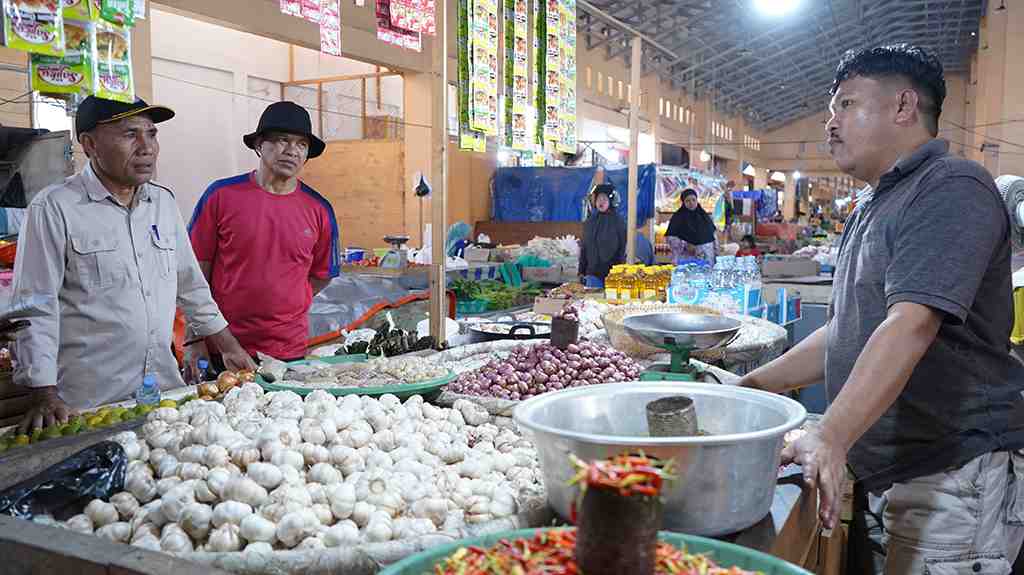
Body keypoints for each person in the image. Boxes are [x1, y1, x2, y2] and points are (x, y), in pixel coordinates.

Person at [738, 44, 1024, 574]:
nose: (829, 124)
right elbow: (846, 330)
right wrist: (753, 388)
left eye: (845, 105)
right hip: (895, 469)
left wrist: (830, 434)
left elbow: (911, 324)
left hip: (952, 474)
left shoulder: (952, 187)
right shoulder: (877, 201)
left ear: (903, 107)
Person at [11, 96, 254, 433]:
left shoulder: (163, 203)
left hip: (162, 392)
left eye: (151, 134)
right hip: (90, 402)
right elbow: (35, 305)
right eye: (130, 135)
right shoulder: (55, 208)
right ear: (90, 144)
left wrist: (229, 348)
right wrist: (43, 392)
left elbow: (191, 286)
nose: (147, 148)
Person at [187, 102, 340, 375]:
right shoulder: (221, 196)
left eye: (301, 144)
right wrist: (194, 338)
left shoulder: (319, 210)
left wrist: (290, 297)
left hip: (286, 352)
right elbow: (194, 273)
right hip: (221, 347)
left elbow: (321, 274)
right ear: (260, 144)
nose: (292, 150)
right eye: (282, 140)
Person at [578, 183, 625, 289]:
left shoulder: (618, 222)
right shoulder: (590, 221)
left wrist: (620, 272)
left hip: (612, 275)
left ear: (611, 201)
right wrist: (581, 270)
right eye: (599, 198)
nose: (601, 201)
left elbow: (622, 248)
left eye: (604, 198)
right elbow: (585, 247)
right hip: (592, 274)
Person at [665, 188, 717, 266]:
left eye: (693, 200)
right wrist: (685, 244)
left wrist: (716, 250)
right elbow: (671, 237)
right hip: (686, 257)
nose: (691, 203)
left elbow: (713, 234)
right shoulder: (678, 217)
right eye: (688, 201)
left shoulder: (704, 216)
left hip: (706, 257)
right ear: (683, 202)